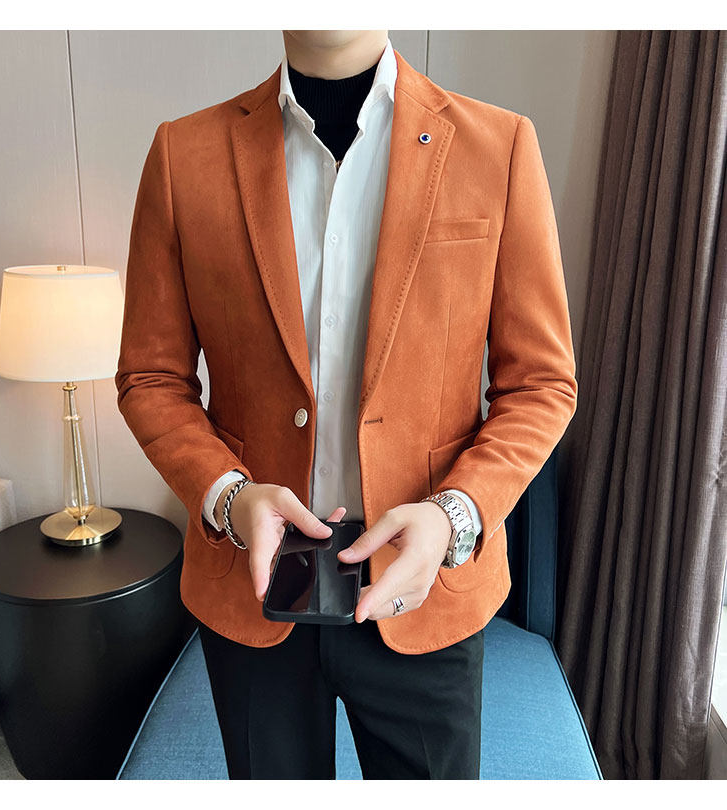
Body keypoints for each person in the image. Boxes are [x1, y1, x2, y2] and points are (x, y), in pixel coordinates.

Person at [115, 29, 578, 780]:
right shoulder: (183, 155)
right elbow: (149, 376)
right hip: (255, 589)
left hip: (423, 590)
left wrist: (453, 517)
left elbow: (541, 384)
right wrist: (227, 495)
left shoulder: (499, 147)